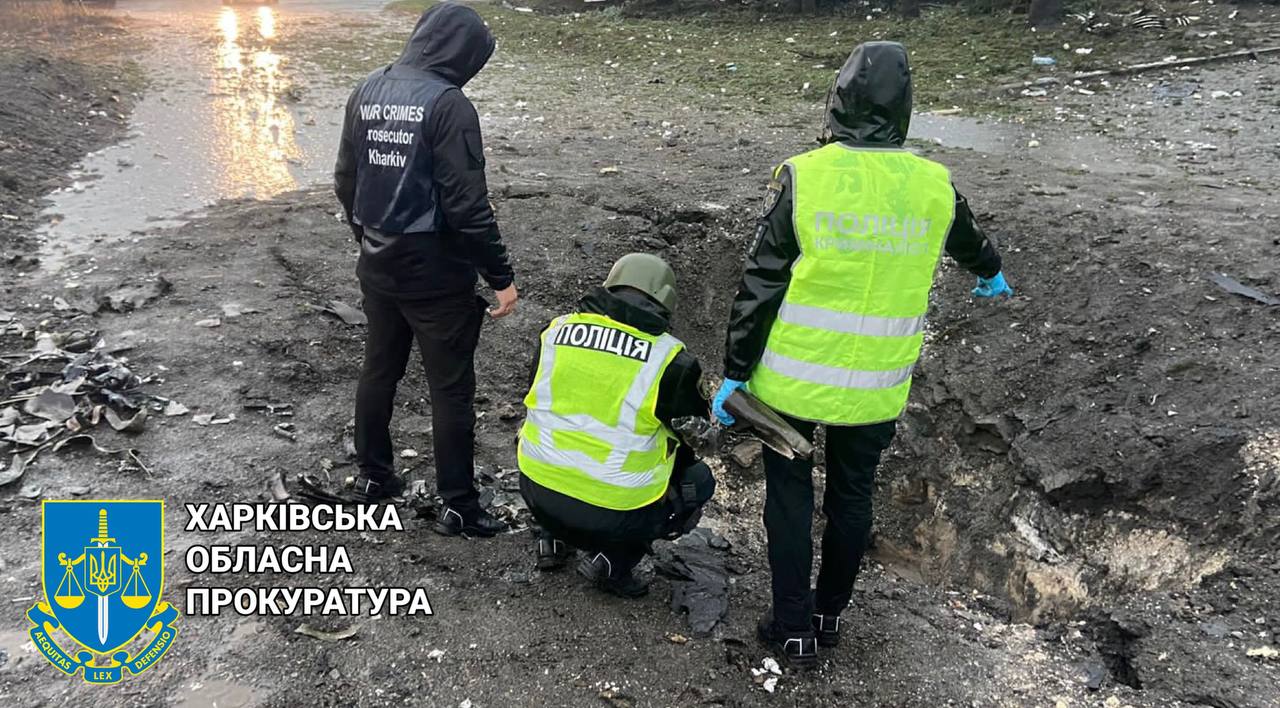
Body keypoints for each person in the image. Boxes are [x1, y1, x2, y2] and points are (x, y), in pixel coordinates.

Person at [712, 41, 1012, 666]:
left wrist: (735, 370)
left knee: (789, 499)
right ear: (905, 108)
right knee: (852, 498)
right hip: (877, 384)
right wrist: (990, 271)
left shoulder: (806, 175)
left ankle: (791, 626)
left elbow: (761, 281)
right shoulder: (933, 183)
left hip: (791, 381)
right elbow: (969, 239)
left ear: (839, 101)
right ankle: (829, 616)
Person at [334, 2, 516, 538]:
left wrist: (367, 238)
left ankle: (373, 476)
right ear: (462, 53)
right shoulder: (448, 105)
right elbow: (467, 206)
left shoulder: (367, 89)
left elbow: (346, 179)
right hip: (437, 277)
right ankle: (459, 505)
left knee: (379, 369)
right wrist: (500, 277)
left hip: (378, 265)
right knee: (451, 389)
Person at [518, 254, 715, 598]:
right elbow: (695, 436)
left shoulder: (555, 332)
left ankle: (551, 538)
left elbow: (539, 401)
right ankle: (611, 563)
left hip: (536, 489)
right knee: (698, 481)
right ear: (665, 302)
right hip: (613, 513)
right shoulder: (671, 361)